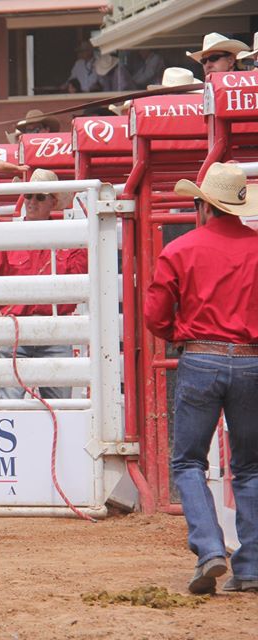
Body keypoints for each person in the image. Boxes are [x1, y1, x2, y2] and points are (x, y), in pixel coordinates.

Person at [144, 162, 258, 595]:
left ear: (202, 205)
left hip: (202, 358)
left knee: (188, 460)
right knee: (249, 466)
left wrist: (178, 335)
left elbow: (156, 313)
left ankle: (211, 549)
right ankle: (251, 566)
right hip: (251, 360)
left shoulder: (180, 249)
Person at [0, 169, 86, 400]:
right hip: (16, 332)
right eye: (29, 196)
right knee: (13, 409)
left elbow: (83, 275)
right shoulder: (9, 236)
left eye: (39, 197)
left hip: (55, 332)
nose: (31, 202)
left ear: (53, 202)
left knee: (59, 408)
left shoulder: (69, 237)